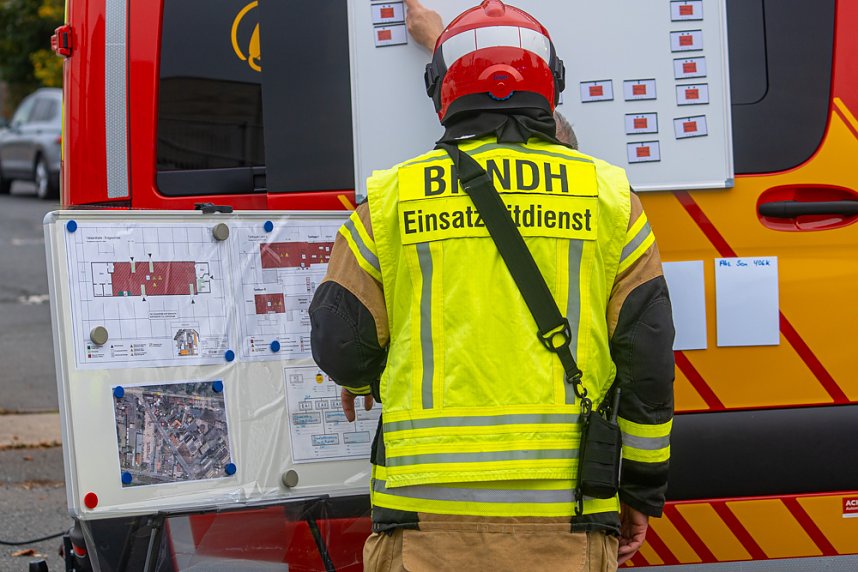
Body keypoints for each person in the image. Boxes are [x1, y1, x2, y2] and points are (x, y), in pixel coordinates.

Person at [309, 1, 674, 569]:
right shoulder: (610, 199)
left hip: (422, 514)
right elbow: (647, 360)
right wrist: (642, 492)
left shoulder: (387, 201)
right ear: (550, 88)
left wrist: (367, 375)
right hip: (571, 511)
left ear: (442, 94)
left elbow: (340, 343)